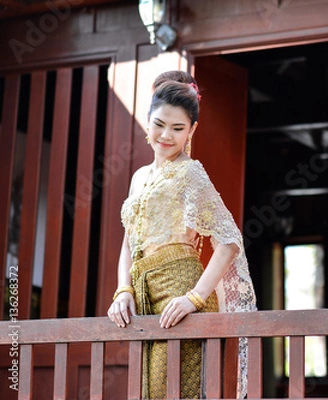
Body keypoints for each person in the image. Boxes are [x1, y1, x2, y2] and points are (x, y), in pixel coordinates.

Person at [107, 71, 256, 399]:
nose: (166, 135)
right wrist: (123, 291)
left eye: (178, 128)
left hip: (180, 295)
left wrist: (195, 298)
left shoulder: (190, 173)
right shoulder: (138, 177)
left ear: (192, 131)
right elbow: (129, 241)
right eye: (159, 124)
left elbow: (229, 240)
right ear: (148, 120)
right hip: (144, 295)